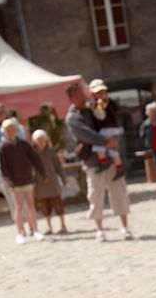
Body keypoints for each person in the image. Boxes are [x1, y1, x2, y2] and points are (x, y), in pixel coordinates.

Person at [65, 81, 132, 242]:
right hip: (93, 160)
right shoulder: (72, 117)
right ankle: (99, 229)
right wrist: (105, 141)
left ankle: (124, 226)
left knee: (119, 192)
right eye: (79, 95)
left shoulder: (93, 108)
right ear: (71, 98)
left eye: (83, 93)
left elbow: (108, 118)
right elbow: (86, 134)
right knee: (96, 195)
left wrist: (114, 137)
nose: (83, 97)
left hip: (111, 157)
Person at [0, 119, 46, 244]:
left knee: (31, 205)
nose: (11, 132)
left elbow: (35, 159)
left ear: (16, 130)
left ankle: (35, 230)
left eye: (12, 130)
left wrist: (43, 173)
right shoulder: (3, 148)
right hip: (15, 182)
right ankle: (20, 232)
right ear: (4, 132)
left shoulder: (24, 144)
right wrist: (9, 183)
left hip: (27, 179)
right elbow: (3, 169)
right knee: (19, 206)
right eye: (8, 130)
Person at [0, 102, 31, 220]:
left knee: (26, 197)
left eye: (2, 111)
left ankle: (31, 223)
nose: (1, 114)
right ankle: (20, 225)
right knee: (13, 199)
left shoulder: (14, 123)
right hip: (4, 168)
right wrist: (9, 142)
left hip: (19, 165)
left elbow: (21, 138)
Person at [32, 129, 68, 235]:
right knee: (44, 206)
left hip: (53, 183)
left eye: (43, 140)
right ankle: (49, 226)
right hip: (40, 184)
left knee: (58, 205)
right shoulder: (33, 154)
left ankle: (63, 225)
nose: (41, 142)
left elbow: (58, 167)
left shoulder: (51, 152)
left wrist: (63, 179)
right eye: (38, 140)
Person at [88, 78, 126, 180]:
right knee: (113, 150)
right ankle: (119, 167)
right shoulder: (109, 102)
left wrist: (97, 107)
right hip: (113, 128)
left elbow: (101, 116)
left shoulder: (101, 103)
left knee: (98, 144)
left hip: (106, 128)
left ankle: (103, 162)